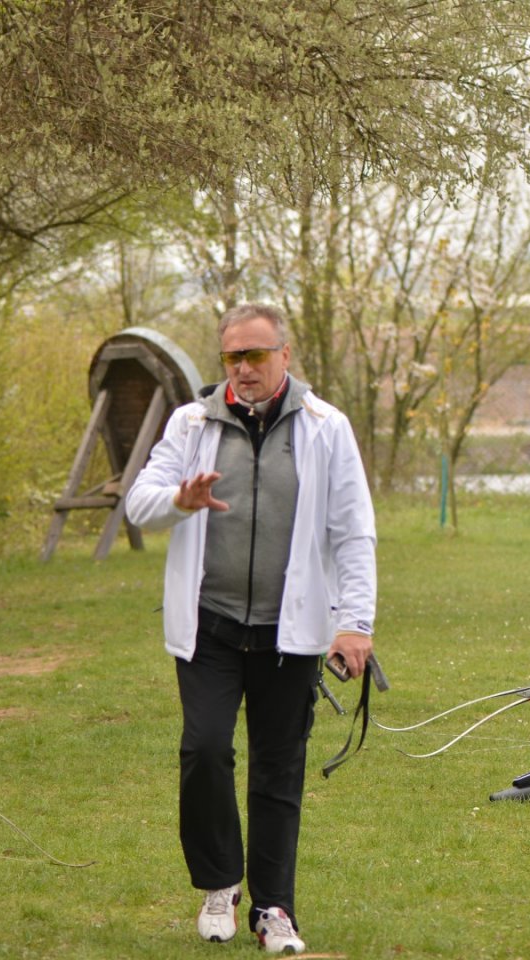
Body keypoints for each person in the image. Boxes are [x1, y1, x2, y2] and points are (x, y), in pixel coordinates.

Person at [125, 304, 377, 954]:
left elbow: (352, 531)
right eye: (233, 357)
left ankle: (274, 910)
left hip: (289, 634)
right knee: (204, 750)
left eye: (256, 356)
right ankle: (218, 886)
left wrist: (354, 623)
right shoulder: (192, 424)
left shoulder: (326, 428)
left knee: (277, 770)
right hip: (208, 629)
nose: (244, 368)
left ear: (284, 356)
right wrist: (179, 500)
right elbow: (139, 501)